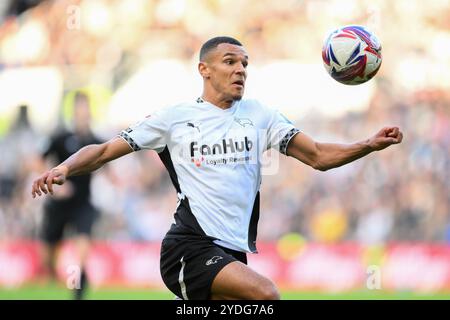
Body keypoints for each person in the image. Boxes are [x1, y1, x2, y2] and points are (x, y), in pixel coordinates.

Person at [31, 36, 403, 300]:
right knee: (266, 295)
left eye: (245, 63)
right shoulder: (175, 118)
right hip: (187, 247)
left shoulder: (261, 115)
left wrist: (367, 144)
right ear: (204, 70)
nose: (240, 69)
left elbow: (319, 156)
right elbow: (103, 150)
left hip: (232, 252)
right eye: (230, 62)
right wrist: (64, 167)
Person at [35, 92, 102, 300]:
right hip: (58, 205)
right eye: (80, 108)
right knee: (47, 257)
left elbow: (107, 163)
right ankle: (56, 274)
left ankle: (77, 287)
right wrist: (54, 186)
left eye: (87, 108)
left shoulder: (94, 140)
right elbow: (38, 159)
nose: (84, 113)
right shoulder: (60, 137)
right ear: (74, 111)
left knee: (81, 245)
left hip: (82, 204)